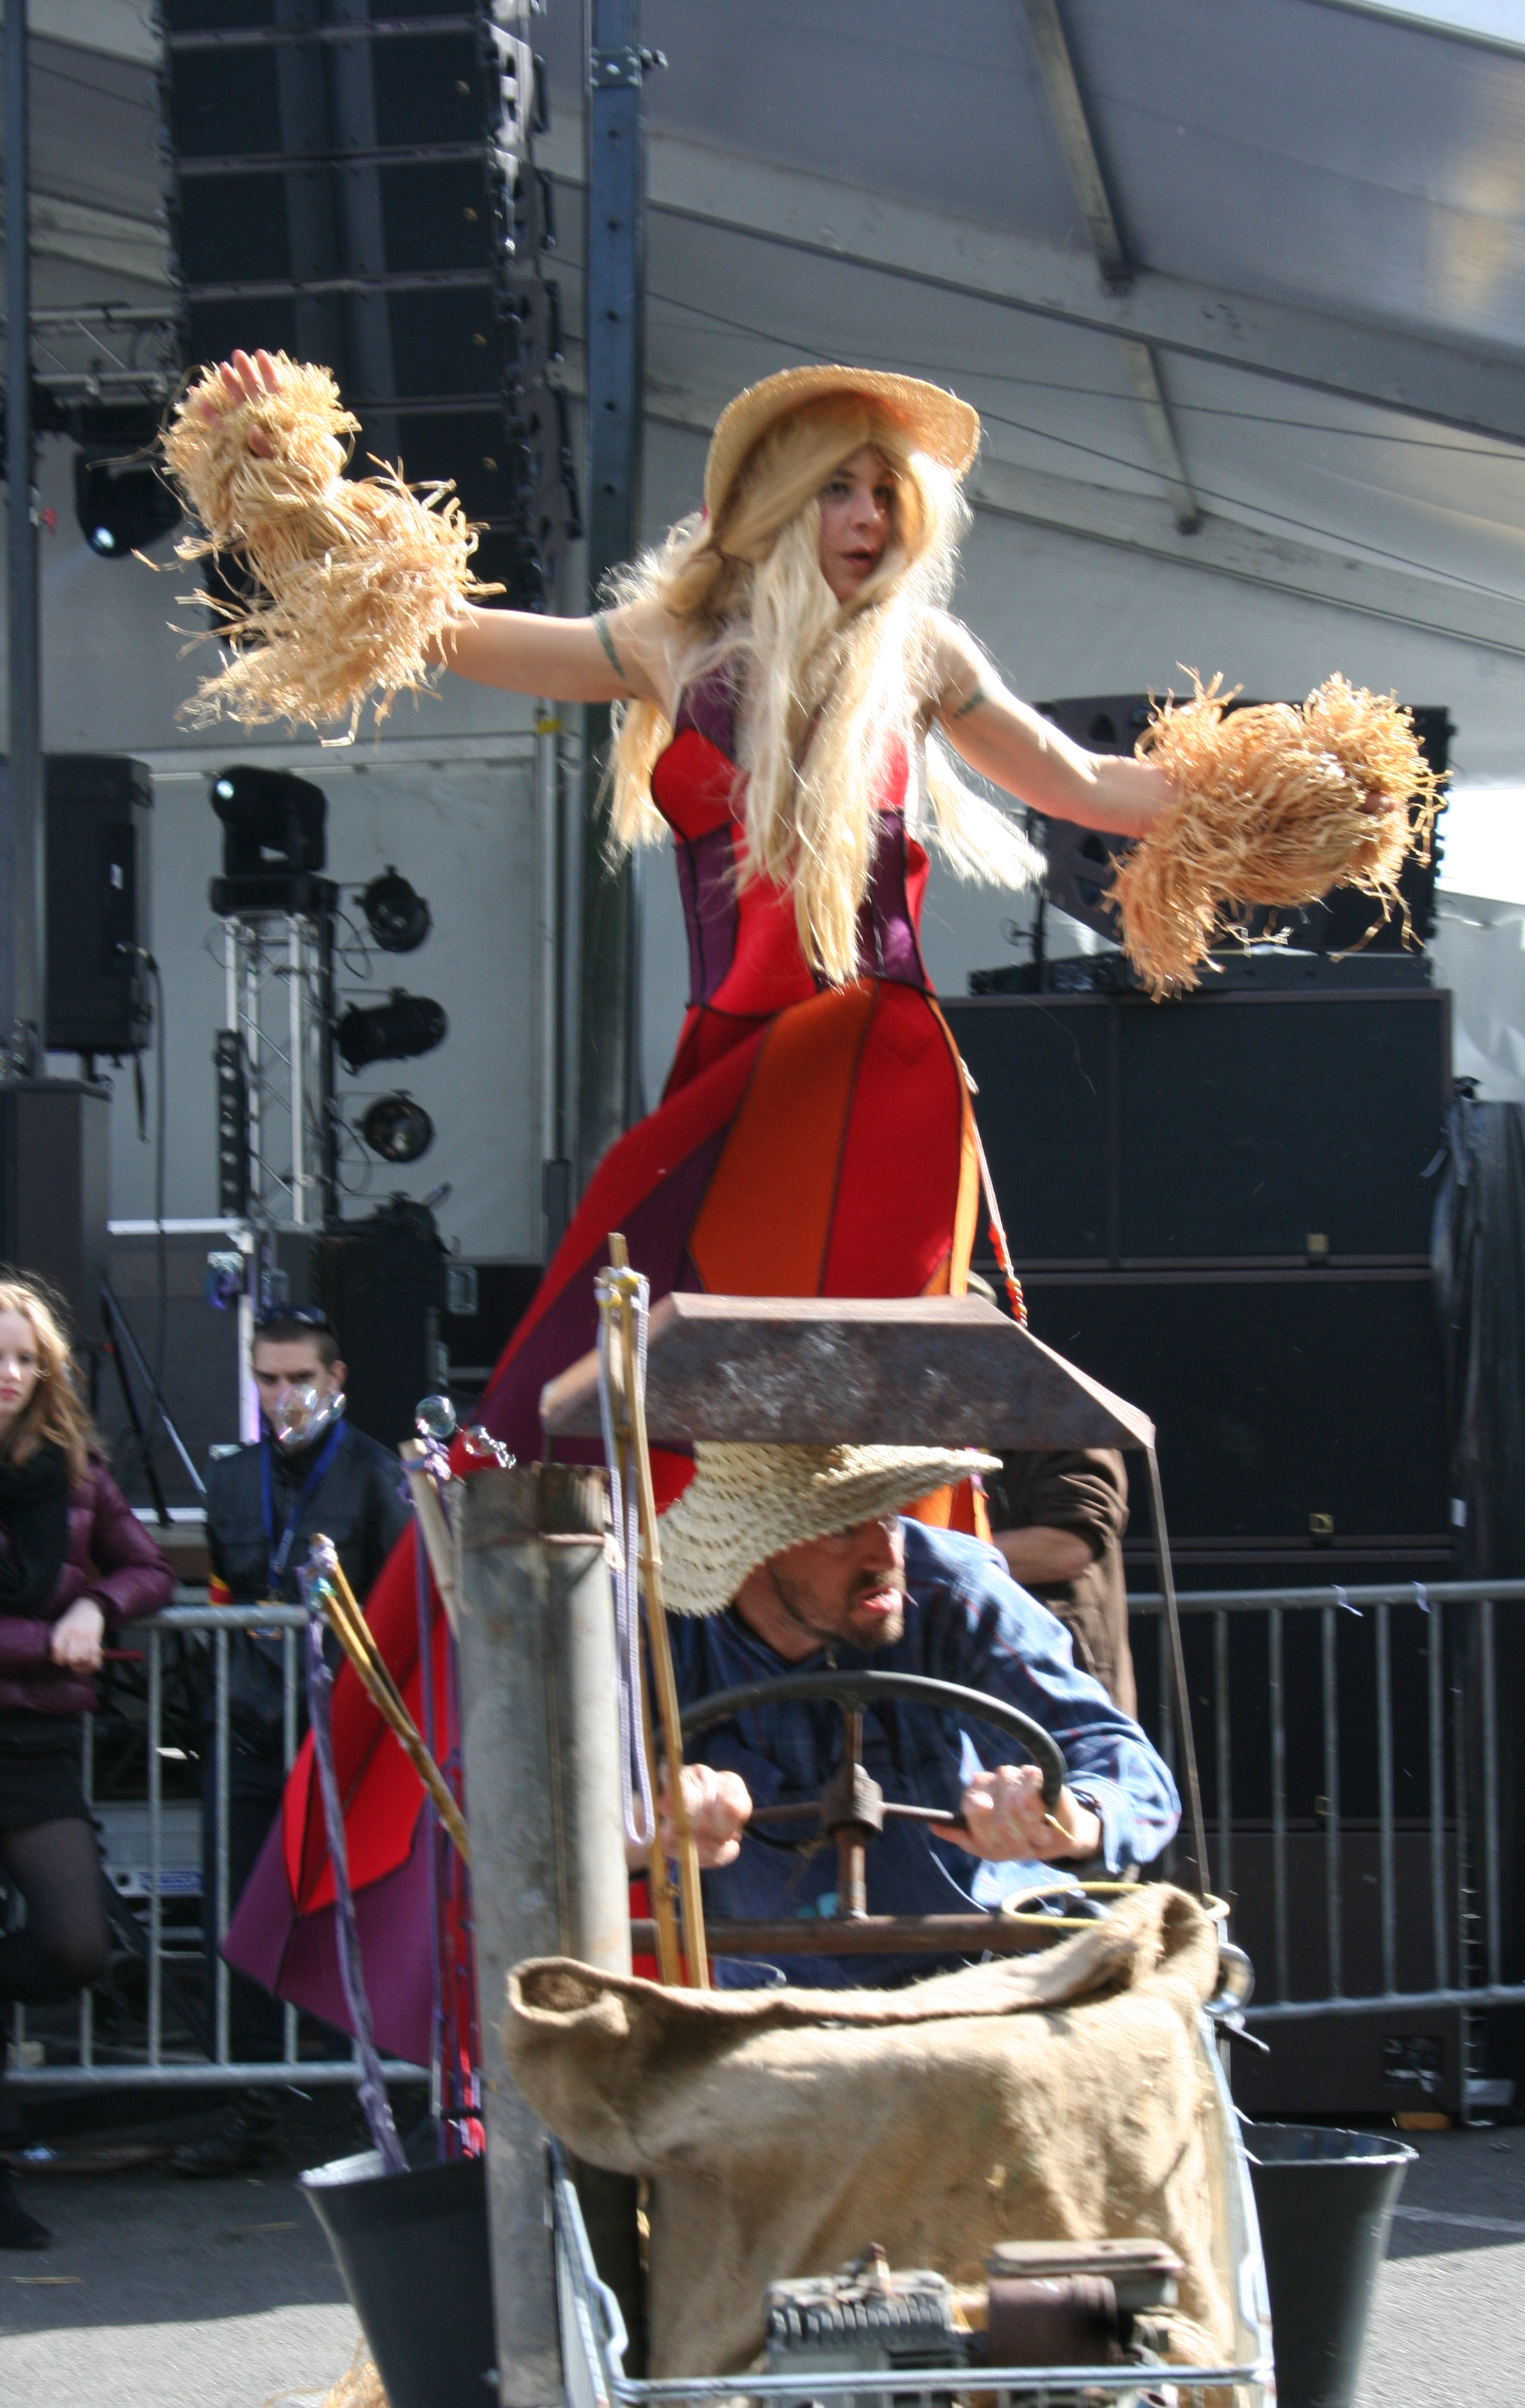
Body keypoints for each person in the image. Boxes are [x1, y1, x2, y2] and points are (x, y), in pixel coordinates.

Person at [187, 349, 1192, 2043]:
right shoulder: (679, 642)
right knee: (549, 1433)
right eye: (840, 486)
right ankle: (454, 1890)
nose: (868, 516)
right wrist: (294, 495)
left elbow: (1097, 794)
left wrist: (1289, 789)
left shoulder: (924, 655)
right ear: (770, 506)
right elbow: (436, 626)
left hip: (877, 1088)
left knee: (873, 1441)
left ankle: (934, 1848)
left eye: (889, 489)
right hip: (742, 1080)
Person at [642, 1440, 1179, 1989]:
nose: (887, 1555)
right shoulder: (660, 1629)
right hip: (772, 2002)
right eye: (841, 1527)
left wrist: (1071, 1817)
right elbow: (567, 1823)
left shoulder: (953, 1588)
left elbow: (1134, 1774)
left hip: (999, 1979)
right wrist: (652, 1821)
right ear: (749, 1546)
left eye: (890, 1514)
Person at [183, 1309, 409, 2170]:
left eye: (299, 1380)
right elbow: (217, 1594)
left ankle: (374, 2105)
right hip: (246, 1732)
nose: (283, 1398)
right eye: (268, 1380)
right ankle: (247, 2111)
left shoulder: (378, 1477)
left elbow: (399, 1612)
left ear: (336, 1378)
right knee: (236, 1923)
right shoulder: (233, 1481)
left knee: (358, 1918)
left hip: (342, 1740)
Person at [0, 1275, 173, 2248]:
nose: (12, 1374)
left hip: (38, 1747)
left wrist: (96, 1607)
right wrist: (44, 1637)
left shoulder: (72, 1468)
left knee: (76, 1945)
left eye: (28, 1358)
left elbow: (145, 1565)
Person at [984, 1449, 1137, 1720]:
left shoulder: (1063, 1411)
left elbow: (1070, 1547)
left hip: (1064, 1691)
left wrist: (929, 1553)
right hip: (994, 1682)